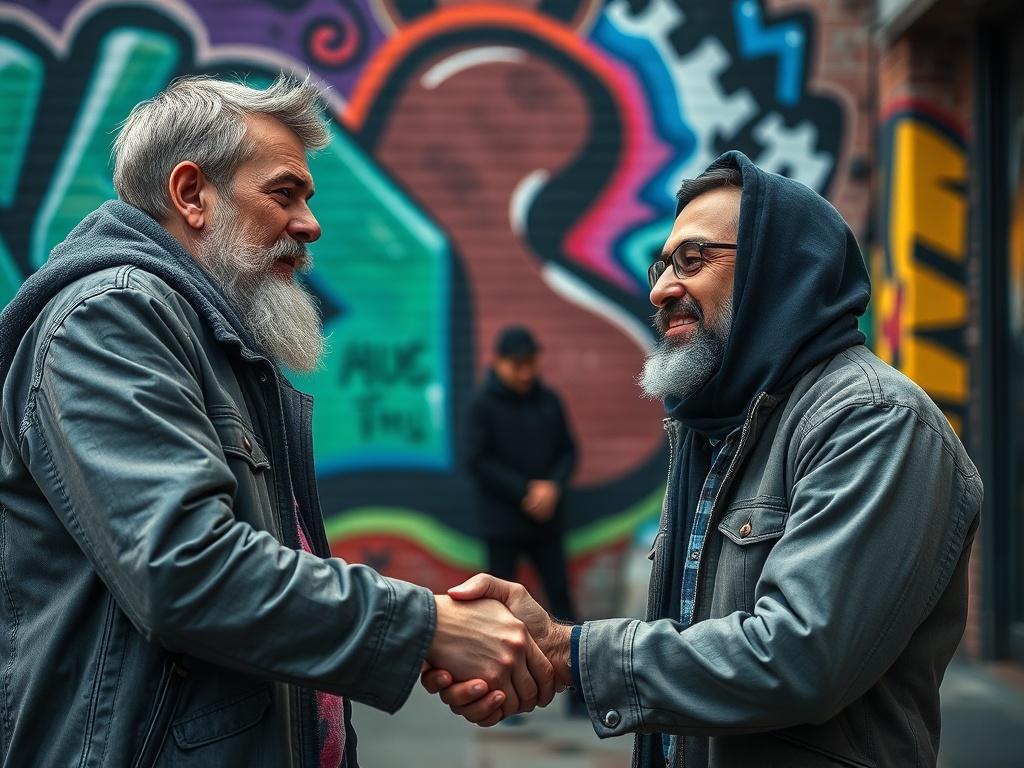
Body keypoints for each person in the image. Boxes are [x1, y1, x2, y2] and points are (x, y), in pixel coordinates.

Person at [0, 74, 554, 767]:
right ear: (192, 194)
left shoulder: (213, 343)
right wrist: (429, 625)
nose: (310, 223)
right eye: (284, 193)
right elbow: (186, 568)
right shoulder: (111, 319)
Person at [423, 151, 983, 767]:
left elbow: (799, 657)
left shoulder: (874, 422)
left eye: (692, 260)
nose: (661, 288)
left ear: (781, 269)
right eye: (660, 265)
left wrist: (569, 652)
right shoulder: (710, 428)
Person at [466, 326, 577, 622]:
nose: (525, 373)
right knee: (499, 605)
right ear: (498, 362)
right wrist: (526, 491)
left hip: (547, 520)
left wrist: (552, 487)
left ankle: (573, 660)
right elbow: (476, 461)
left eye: (530, 363)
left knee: (561, 597)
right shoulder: (481, 405)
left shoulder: (549, 400)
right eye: (517, 365)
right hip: (502, 523)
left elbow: (569, 451)